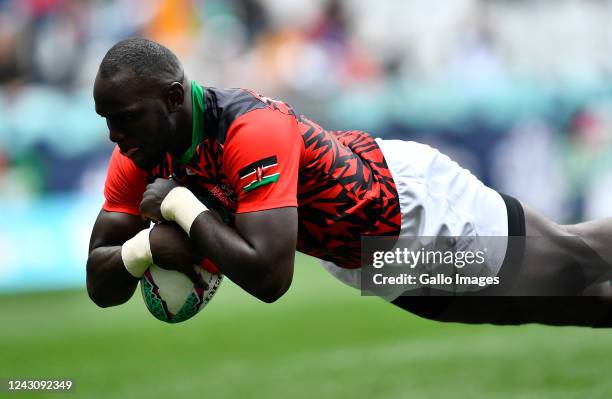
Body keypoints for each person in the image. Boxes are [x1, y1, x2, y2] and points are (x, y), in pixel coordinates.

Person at [87, 38, 612, 327]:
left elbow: (270, 277)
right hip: (369, 258)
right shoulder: (138, 152)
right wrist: (144, 248)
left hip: (413, 205)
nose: (115, 135)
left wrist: (181, 206)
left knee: (573, 263)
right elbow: (99, 281)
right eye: (106, 119)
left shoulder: (250, 127)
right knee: (550, 304)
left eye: (126, 118)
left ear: (174, 99)